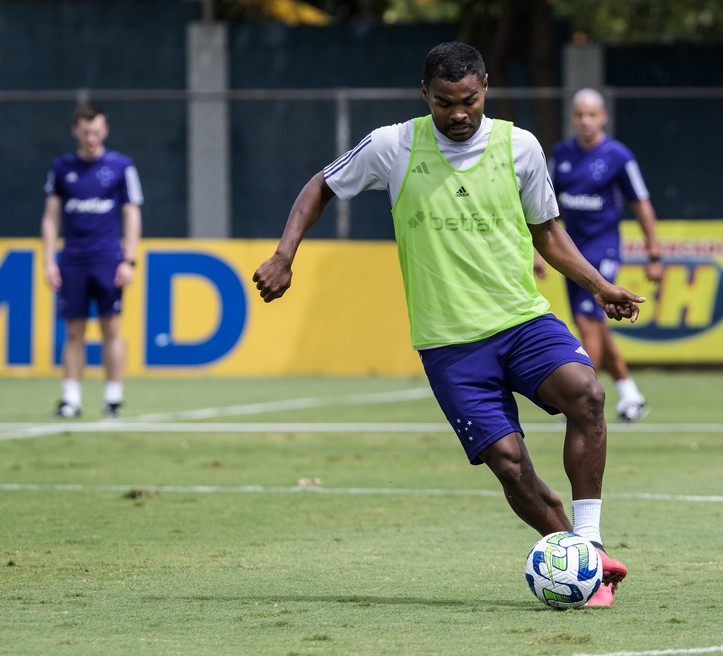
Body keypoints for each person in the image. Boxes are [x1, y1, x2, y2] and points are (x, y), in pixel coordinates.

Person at [253, 42, 642, 606]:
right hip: (450, 344)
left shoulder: (520, 146)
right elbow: (320, 185)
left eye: (469, 100)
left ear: (485, 86)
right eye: (444, 103)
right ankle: (582, 567)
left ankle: (587, 545)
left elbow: (549, 233)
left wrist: (599, 286)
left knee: (587, 395)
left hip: (521, 320)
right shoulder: (394, 145)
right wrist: (285, 254)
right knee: (510, 465)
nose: (458, 114)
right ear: (425, 96)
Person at [540, 88, 663, 422]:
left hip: (604, 248)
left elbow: (641, 202)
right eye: (580, 114)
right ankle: (630, 394)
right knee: (598, 324)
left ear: (603, 116)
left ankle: (583, 399)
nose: (586, 120)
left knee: (588, 320)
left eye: (592, 114)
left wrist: (654, 252)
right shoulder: (561, 153)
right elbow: (544, 203)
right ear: (572, 117)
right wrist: (538, 251)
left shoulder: (618, 155)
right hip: (571, 252)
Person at [41, 103, 144, 418]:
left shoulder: (121, 167)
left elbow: (132, 213)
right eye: (86, 132)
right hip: (73, 258)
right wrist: (49, 260)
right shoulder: (61, 168)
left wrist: (129, 260)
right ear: (76, 131)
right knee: (74, 330)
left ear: (105, 131)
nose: (91, 138)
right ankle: (71, 398)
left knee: (111, 327)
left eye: (97, 132)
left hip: (108, 258)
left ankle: (113, 397)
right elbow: (50, 217)